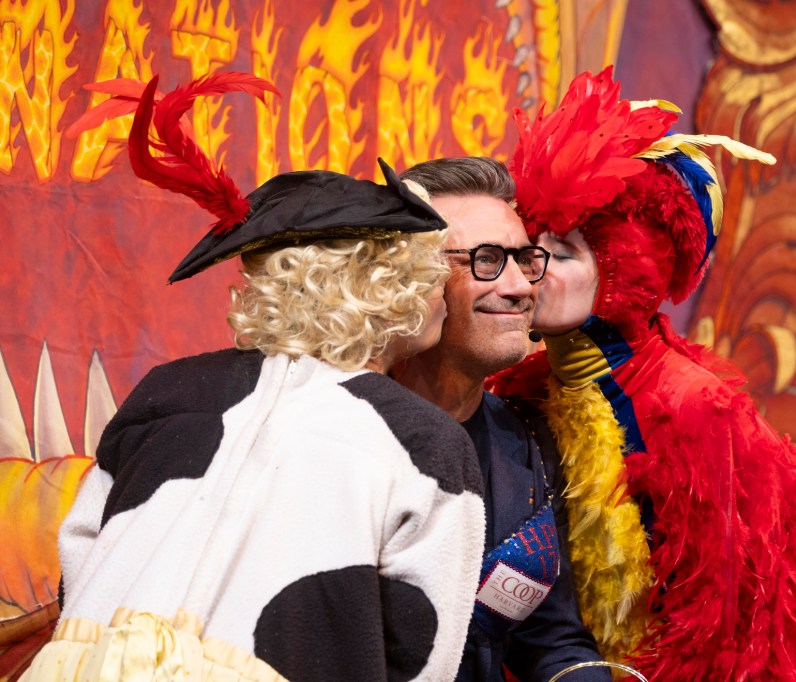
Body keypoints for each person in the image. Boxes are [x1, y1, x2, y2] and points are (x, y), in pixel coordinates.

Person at [23, 74, 485, 682]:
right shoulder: (425, 441)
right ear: (390, 291)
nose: (445, 296)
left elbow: (82, 550)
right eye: (432, 279)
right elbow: (423, 649)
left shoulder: (169, 388)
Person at [491, 68, 796, 681]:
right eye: (530, 245)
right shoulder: (525, 390)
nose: (531, 269)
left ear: (624, 271)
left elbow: (723, 634)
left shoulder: (692, 405)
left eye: (562, 252)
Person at [394, 157, 611, 682]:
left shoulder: (528, 442)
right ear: (410, 280)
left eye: (525, 259)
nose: (521, 287)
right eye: (487, 259)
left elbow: (551, 641)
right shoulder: (337, 435)